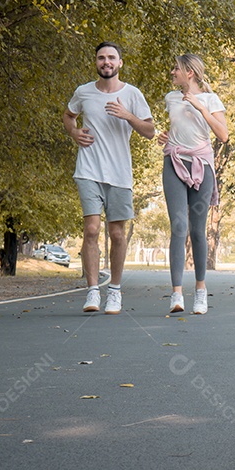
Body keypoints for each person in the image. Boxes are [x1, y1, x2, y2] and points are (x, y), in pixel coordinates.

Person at [63, 42, 155, 314]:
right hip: (89, 170)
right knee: (91, 229)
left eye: (111, 58)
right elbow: (69, 116)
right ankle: (92, 292)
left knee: (116, 233)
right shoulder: (84, 92)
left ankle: (114, 291)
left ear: (120, 63)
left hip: (119, 174)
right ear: (96, 62)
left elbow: (150, 131)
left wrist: (128, 115)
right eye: (101, 57)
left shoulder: (133, 94)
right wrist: (74, 132)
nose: (106, 62)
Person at [156, 54, 228, 315]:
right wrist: (165, 135)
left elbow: (223, 135)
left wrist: (200, 107)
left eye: (176, 68)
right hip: (174, 163)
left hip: (202, 166)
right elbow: (178, 127)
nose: (172, 71)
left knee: (197, 230)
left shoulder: (211, 99)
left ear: (190, 73)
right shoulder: (170, 98)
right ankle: (176, 294)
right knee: (178, 226)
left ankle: (200, 291)